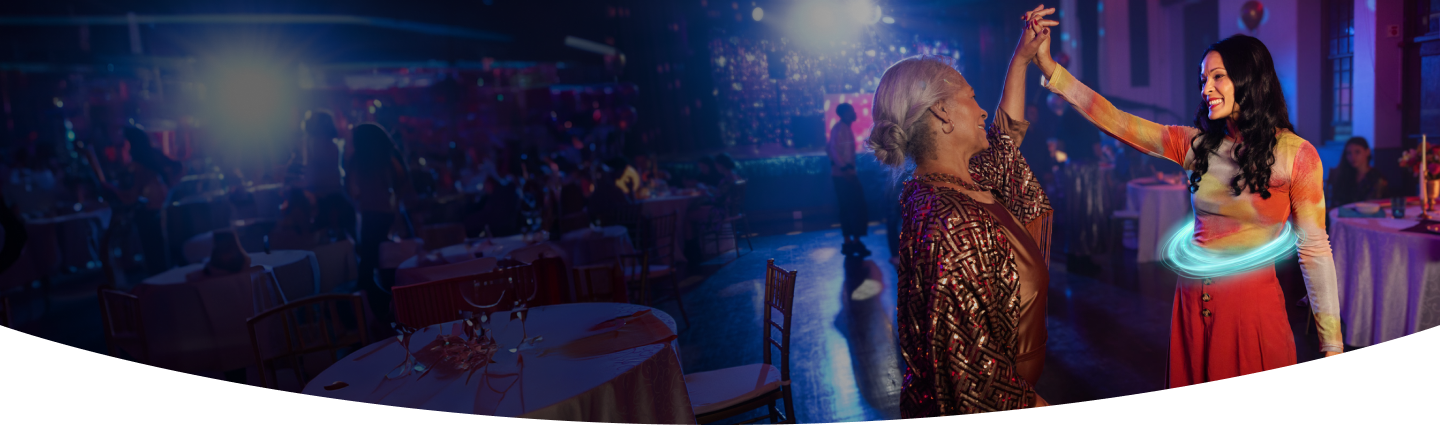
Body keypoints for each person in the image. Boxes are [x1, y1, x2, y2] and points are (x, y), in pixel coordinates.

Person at [1035, 32, 1343, 388]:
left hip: (1250, 313)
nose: (1206, 88)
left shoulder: (1296, 155)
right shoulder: (1196, 145)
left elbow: (1314, 249)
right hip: (1192, 306)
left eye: (1217, 76)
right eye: (1203, 79)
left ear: (1248, 78)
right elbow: (1117, 121)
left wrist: (1332, 343)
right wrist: (1050, 68)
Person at [876, 6, 1056, 416]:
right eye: (972, 98)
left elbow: (1004, 140)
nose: (981, 111)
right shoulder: (949, 220)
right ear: (941, 111)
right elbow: (972, 370)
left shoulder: (965, 184)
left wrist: (1021, 59)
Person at [347, 123, 412, 329]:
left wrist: (359, 199)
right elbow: (403, 180)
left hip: (370, 214)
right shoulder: (385, 158)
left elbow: (349, 187)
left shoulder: (358, 160)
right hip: (385, 213)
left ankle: (379, 312)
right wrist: (394, 200)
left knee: (368, 266)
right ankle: (388, 310)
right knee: (378, 264)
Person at [297, 111, 356, 242]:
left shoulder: (313, 143)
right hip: (335, 194)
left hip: (323, 198)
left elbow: (312, 174)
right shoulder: (332, 144)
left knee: (321, 239)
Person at [828, 103, 871, 256]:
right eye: (851, 111)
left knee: (847, 208)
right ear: (845, 113)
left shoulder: (841, 128)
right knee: (856, 207)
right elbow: (833, 150)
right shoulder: (840, 129)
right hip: (845, 175)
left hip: (842, 174)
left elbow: (831, 149)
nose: (854, 113)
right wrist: (845, 169)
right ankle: (854, 242)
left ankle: (849, 242)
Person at [1326, 136, 1388, 208]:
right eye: (1349, 153)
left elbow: (1371, 205)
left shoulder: (1377, 178)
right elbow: (1336, 202)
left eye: (1357, 152)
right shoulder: (1346, 175)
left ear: (1367, 152)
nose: (1352, 157)